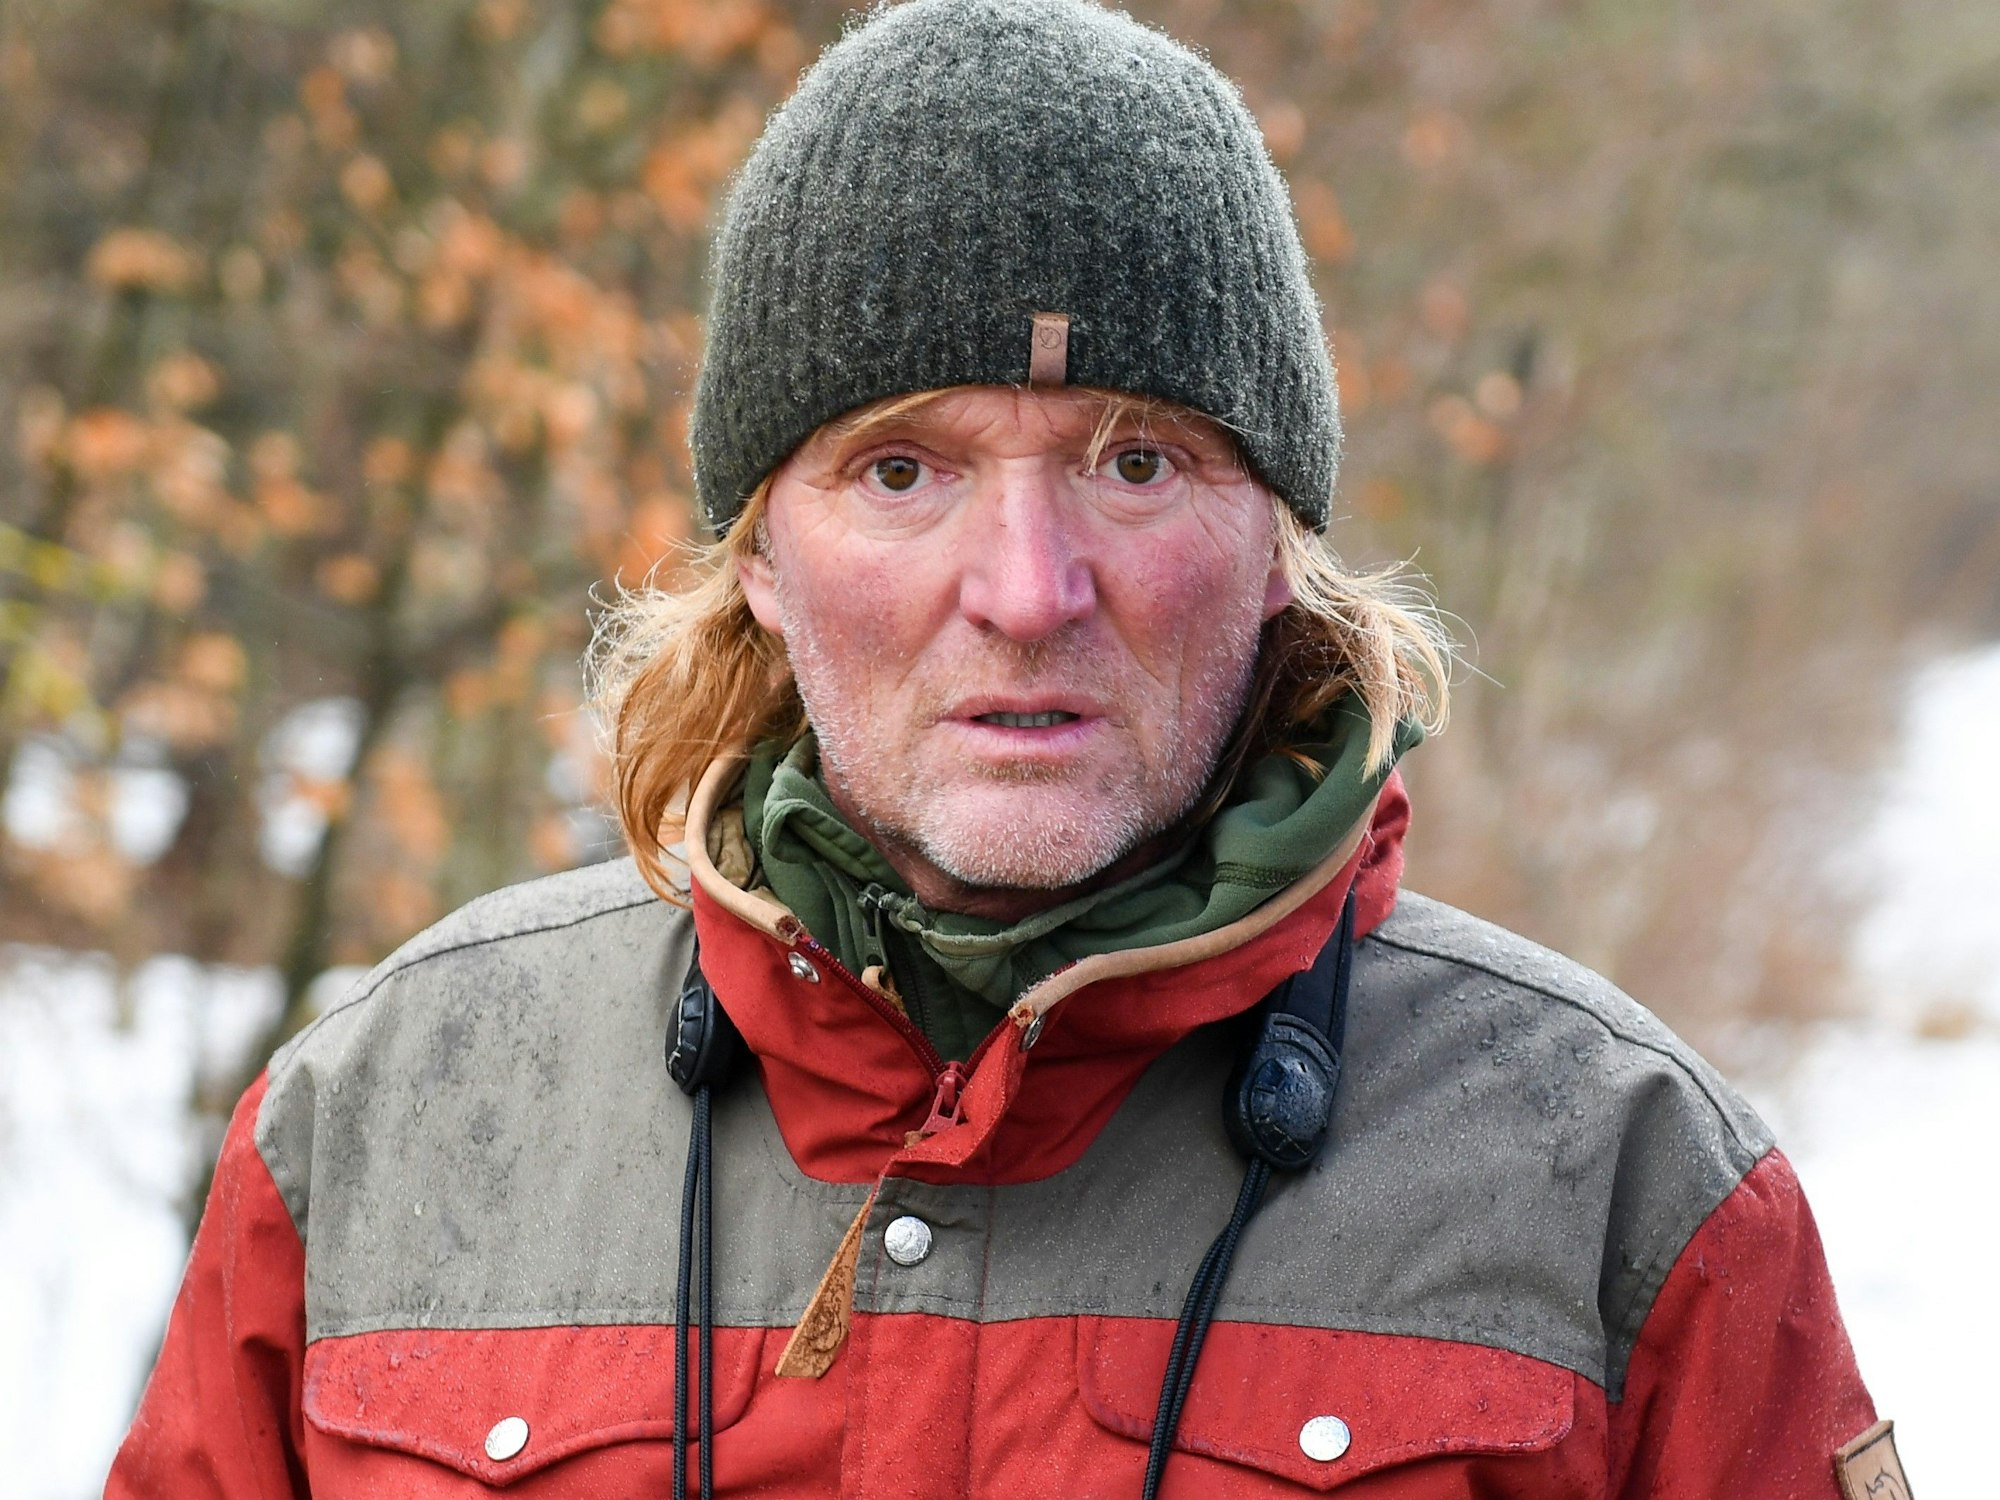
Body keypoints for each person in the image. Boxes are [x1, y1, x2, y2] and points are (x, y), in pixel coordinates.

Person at [109, 1, 1904, 1496]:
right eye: (903, 469)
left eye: (1139, 462)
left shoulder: (1622, 1187)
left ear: (1278, 539)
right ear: (758, 548)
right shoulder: (394, 1120)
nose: (1029, 590)